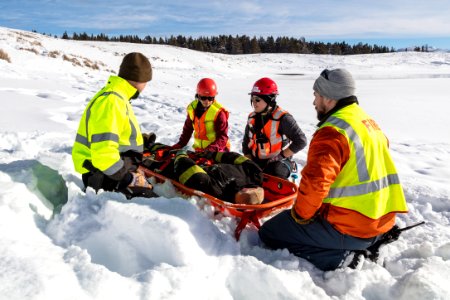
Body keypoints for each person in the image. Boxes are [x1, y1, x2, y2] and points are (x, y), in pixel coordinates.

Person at [258, 69, 409, 271]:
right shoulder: (368, 122)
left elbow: (315, 184)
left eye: (316, 95)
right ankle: (370, 242)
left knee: (269, 232)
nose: (314, 102)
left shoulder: (332, 132)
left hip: (352, 226)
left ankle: (343, 259)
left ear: (329, 97)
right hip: (382, 221)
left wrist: (300, 216)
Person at [72, 52, 155, 198]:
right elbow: (104, 153)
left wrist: (138, 141)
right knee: (159, 209)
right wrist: (128, 179)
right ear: (140, 79)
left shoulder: (117, 97)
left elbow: (113, 133)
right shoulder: (112, 101)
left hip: (110, 173)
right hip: (107, 178)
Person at [142, 143, 264, 204]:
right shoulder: (254, 173)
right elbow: (234, 157)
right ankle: (149, 144)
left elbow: (192, 175)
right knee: (167, 150)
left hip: (178, 167)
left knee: (159, 161)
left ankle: (139, 151)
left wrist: (181, 156)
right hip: (205, 162)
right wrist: (212, 155)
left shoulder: (217, 189)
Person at [242, 77, 307, 179]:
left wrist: (281, 156)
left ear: (269, 99)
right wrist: (248, 159)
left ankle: (290, 166)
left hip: (279, 161)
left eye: (257, 99)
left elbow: (301, 140)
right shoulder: (252, 118)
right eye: (252, 99)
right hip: (256, 160)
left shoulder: (283, 118)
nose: (254, 102)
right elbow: (246, 142)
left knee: (272, 173)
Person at [171, 78, 230, 152]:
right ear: (198, 96)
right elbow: (188, 129)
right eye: (203, 98)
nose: (207, 101)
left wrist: (211, 150)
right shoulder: (192, 109)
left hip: (218, 151)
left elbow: (223, 137)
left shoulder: (219, 113)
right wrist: (180, 144)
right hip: (200, 151)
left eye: (210, 98)